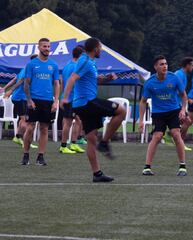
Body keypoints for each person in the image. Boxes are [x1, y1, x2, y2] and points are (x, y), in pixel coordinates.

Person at [62, 37, 126, 183]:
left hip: (82, 104)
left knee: (91, 138)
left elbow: (94, 80)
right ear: (96, 48)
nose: (102, 50)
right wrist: (65, 98)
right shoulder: (84, 60)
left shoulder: (89, 62)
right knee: (121, 111)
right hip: (87, 102)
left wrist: (107, 79)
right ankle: (104, 143)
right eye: (101, 47)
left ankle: (97, 174)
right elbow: (72, 78)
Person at [139, 55, 188, 176]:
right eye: (161, 64)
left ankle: (182, 166)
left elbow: (183, 95)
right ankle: (147, 167)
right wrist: (140, 120)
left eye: (166, 64)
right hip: (158, 113)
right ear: (155, 67)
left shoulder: (174, 78)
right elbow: (143, 101)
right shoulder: (149, 83)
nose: (165, 66)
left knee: (176, 134)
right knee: (157, 136)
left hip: (173, 111)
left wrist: (182, 110)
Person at [22, 38, 60, 166]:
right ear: (39, 48)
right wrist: (29, 100)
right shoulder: (31, 64)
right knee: (30, 127)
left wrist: (56, 101)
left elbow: (56, 83)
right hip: (34, 100)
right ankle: (26, 154)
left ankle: (40, 156)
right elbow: (26, 84)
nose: (47, 49)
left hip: (48, 101)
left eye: (49, 46)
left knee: (44, 129)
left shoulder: (54, 65)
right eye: (45, 46)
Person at [4, 54, 38, 149]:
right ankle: (25, 141)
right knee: (25, 120)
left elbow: (14, 79)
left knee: (23, 118)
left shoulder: (26, 68)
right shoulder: (28, 69)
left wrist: (5, 88)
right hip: (20, 98)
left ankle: (18, 137)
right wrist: (10, 90)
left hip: (21, 98)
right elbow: (20, 81)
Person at [163, 57, 193, 151]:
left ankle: (172, 136)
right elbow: (174, 89)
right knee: (187, 121)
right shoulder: (179, 74)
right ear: (188, 65)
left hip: (177, 103)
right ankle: (179, 143)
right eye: (192, 65)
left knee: (186, 122)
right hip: (174, 104)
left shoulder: (183, 75)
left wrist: (186, 98)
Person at [59, 45, 85, 154]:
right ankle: (64, 146)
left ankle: (73, 144)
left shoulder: (67, 66)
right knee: (69, 122)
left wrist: (61, 97)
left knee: (76, 120)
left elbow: (62, 82)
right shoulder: (76, 67)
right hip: (72, 98)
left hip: (67, 98)